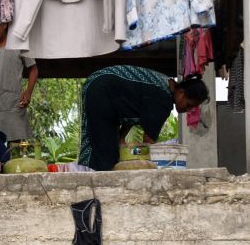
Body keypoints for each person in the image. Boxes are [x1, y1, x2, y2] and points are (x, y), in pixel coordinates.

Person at [78, 65, 209, 171]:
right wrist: (139, 157)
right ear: (181, 93)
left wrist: (122, 138)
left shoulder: (163, 85)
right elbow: (148, 142)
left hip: (100, 84)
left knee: (110, 150)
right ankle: (101, 194)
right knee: (106, 152)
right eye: (189, 104)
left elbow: (132, 110)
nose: (188, 110)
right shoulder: (163, 98)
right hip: (101, 89)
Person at [0, 23, 38, 142]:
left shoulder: (19, 45)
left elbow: (33, 70)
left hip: (14, 105)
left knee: (15, 151)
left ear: (5, 25)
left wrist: (28, 92)